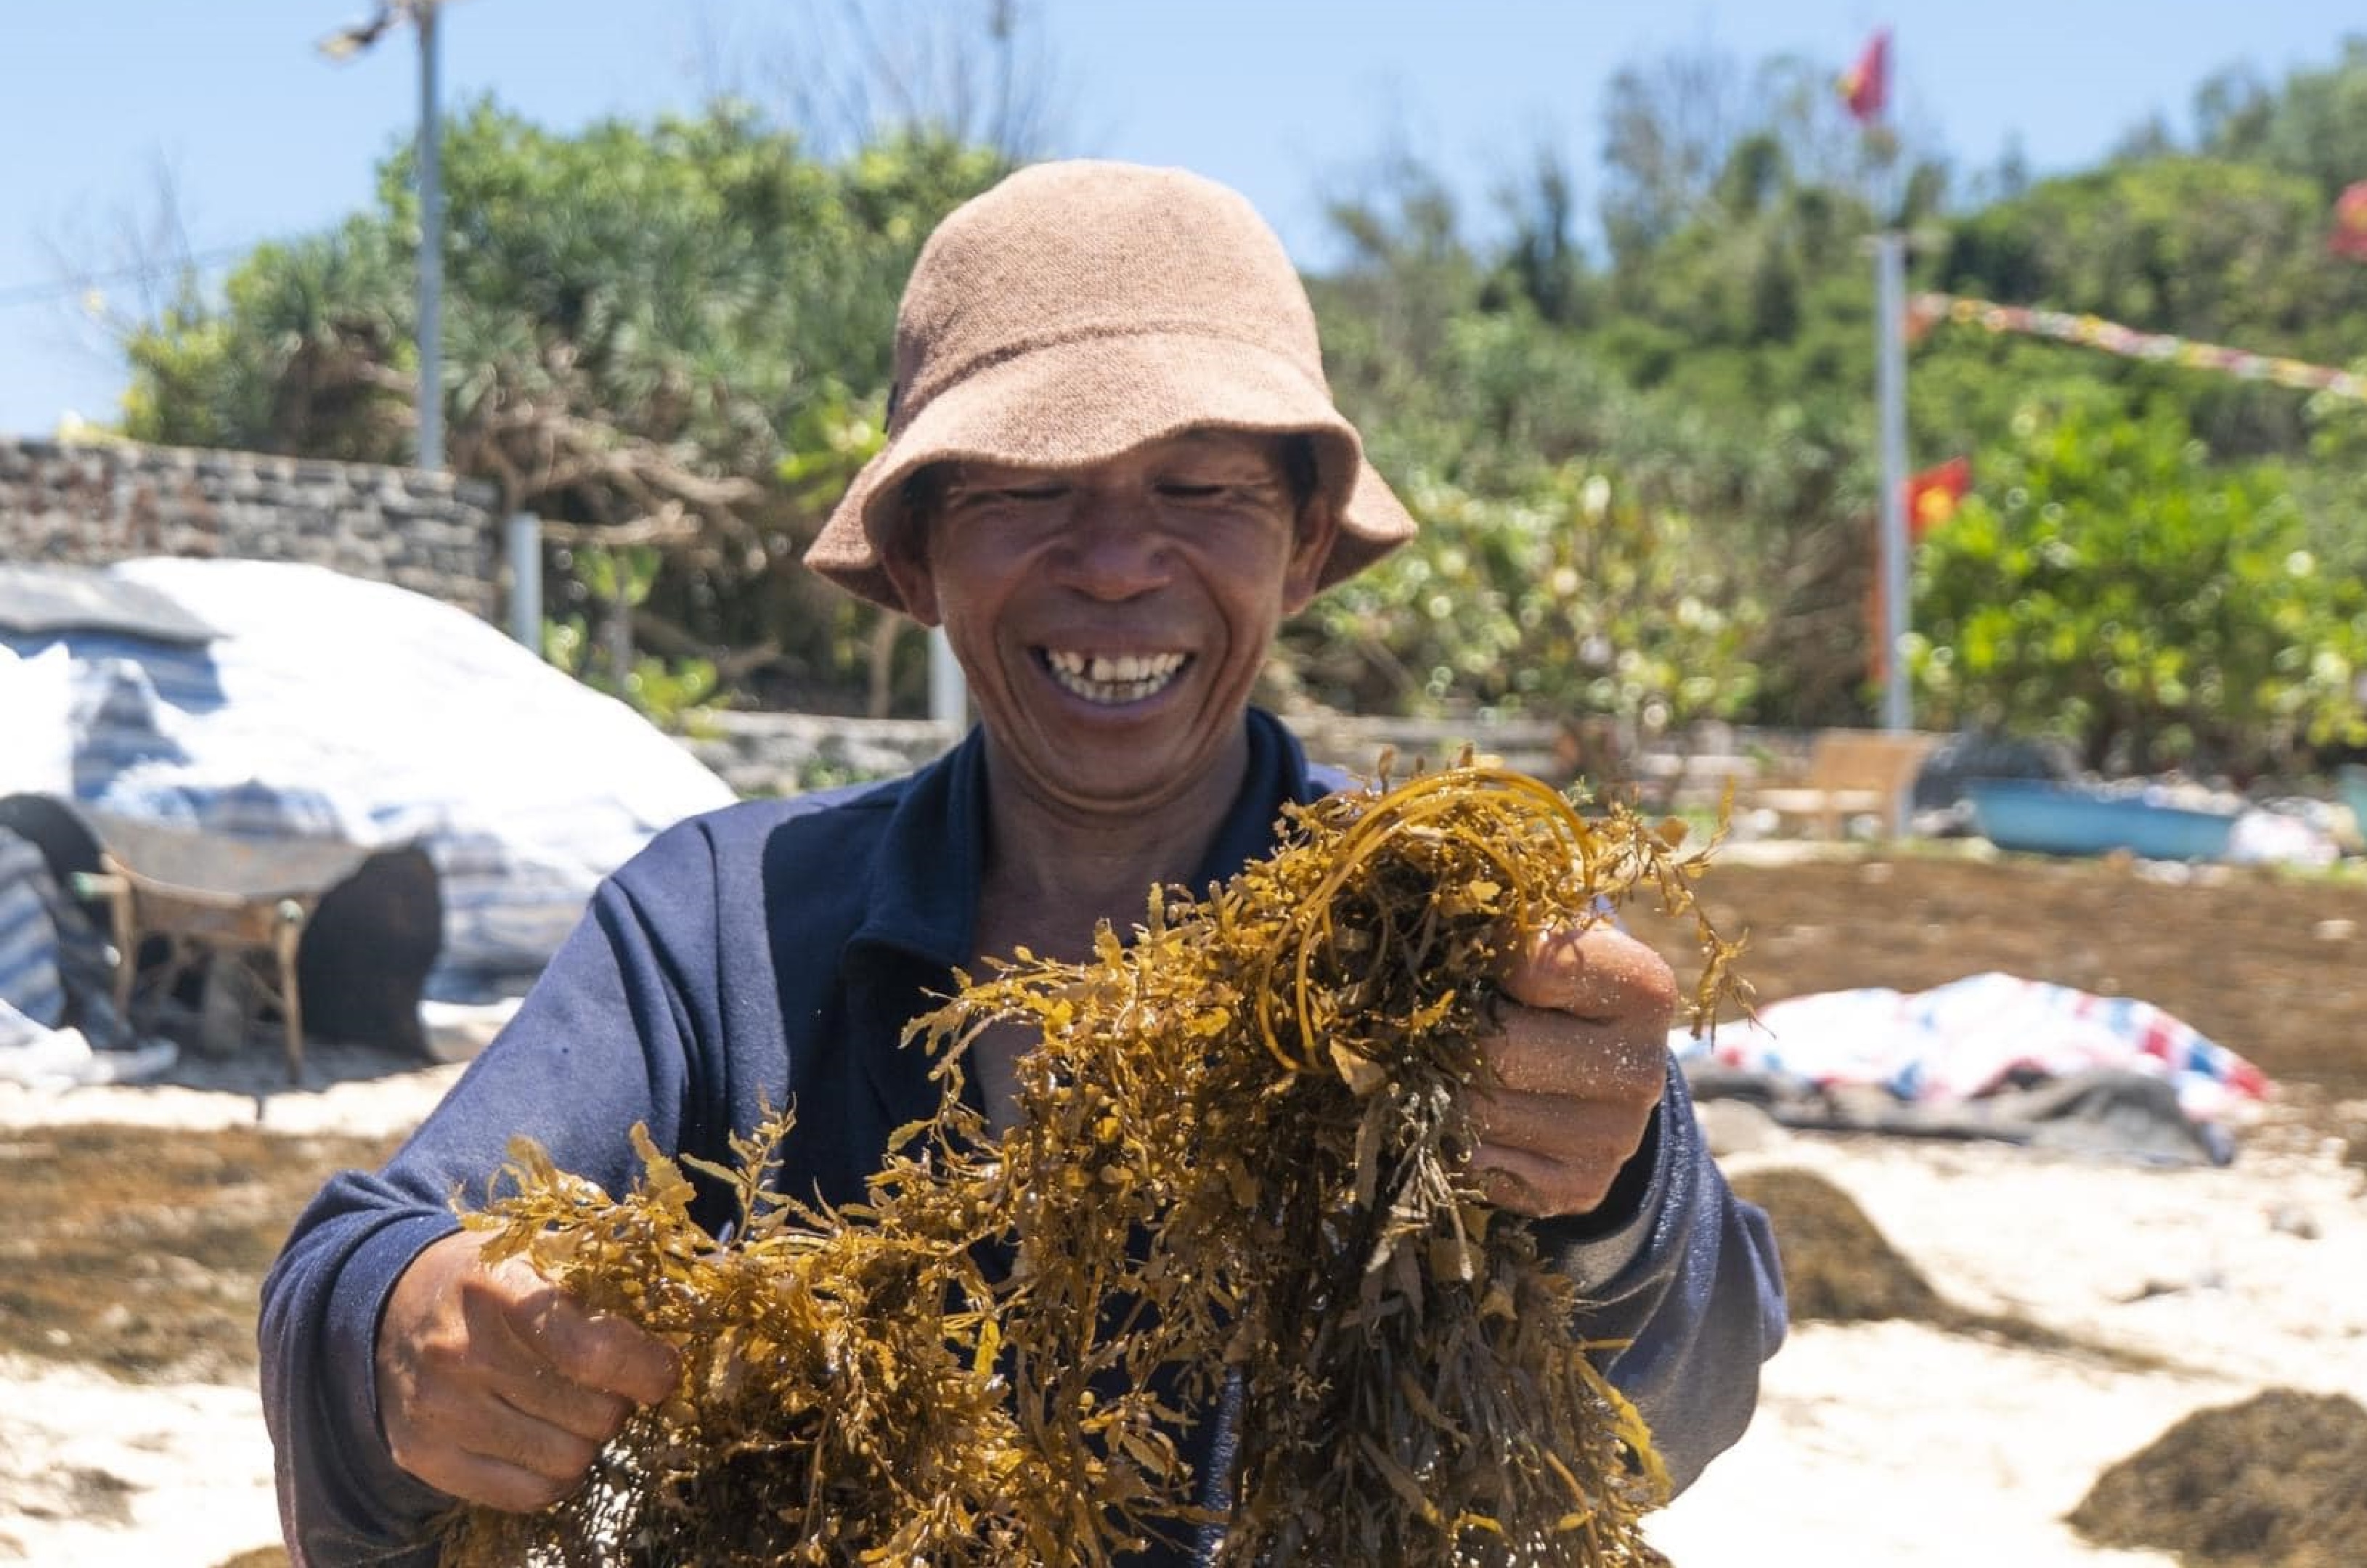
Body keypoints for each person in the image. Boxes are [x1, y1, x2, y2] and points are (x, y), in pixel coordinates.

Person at [261, 159, 1785, 1566]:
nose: (1116, 562)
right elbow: (362, 1255)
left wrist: (1608, 1181)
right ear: (917, 556)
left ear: (1304, 546)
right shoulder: (721, 926)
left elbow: (1679, 1398)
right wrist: (406, 1329)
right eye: (1025, 489)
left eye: (1203, 489)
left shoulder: (1439, 942)